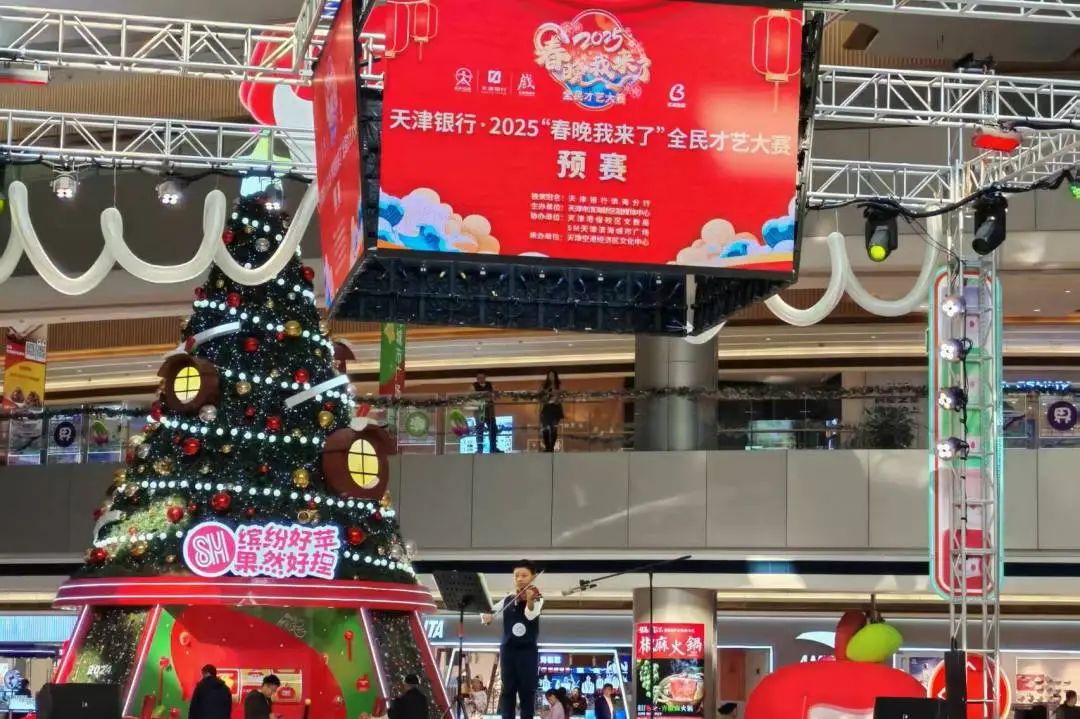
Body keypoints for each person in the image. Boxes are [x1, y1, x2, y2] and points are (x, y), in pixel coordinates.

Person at [482, 560, 544, 719]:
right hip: (508, 650)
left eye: (524, 575)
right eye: (516, 575)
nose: (520, 579)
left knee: (527, 692)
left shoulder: (537, 597)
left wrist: (529, 600)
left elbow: (530, 614)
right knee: (507, 691)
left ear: (533, 577)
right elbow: (489, 611)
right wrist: (486, 616)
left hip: (527, 651)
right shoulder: (508, 598)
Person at [473, 372, 500, 453]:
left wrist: (492, 395)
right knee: (479, 430)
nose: (480, 379)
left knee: (493, 429)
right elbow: (472, 397)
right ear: (477, 378)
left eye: (482, 377)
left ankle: (493, 448)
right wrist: (487, 397)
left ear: (485, 377)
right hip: (479, 410)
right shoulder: (473, 386)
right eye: (479, 377)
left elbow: (496, 396)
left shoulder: (491, 385)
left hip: (489, 411)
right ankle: (479, 449)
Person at [538, 370, 564, 453]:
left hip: (555, 408)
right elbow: (540, 396)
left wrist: (556, 395)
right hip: (547, 408)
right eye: (549, 375)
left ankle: (551, 447)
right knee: (545, 428)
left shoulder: (559, 385)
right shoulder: (544, 385)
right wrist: (545, 393)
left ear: (555, 376)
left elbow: (562, 396)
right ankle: (547, 446)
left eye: (552, 375)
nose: (551, 377)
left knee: (554, 428)